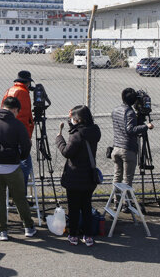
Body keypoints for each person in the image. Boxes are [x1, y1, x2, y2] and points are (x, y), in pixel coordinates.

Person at [0, 96, 37, 241]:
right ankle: (28, 227)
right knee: (19, 198)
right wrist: (21, 157)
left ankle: (2, 231)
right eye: (17, 112)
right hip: (12, 166)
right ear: (14, 110)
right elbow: (26, 146)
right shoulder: (18, 125)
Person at [56, 105, 101, 247]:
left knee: (74, 208)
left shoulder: (76, 136)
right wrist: (71, 123)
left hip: (74, 177)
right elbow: (81, 132)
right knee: (86, 207)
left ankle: (73, 235)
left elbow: (67, 152)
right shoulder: (94, 131)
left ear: (79, 119)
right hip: (89, 177)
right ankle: (88, 236)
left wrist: (59, 140)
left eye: (73, 118)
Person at [111, 88, 154, 188]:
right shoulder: (130, 112)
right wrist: (146, 126)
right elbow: (130, 130)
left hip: (116, 147)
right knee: (127, 178)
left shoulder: (115, 110)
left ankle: (117, 200)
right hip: (127, 149)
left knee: (117, 176)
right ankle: (127, 201)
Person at [1, 70, 35, 188]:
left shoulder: (9, 90)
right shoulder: (23, 93)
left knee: (12, 164)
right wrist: (27, 137)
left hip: (7, 132)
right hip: (20, 134)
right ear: (27, 82)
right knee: (25, 164)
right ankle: (20, 195)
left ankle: (11, 193)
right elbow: (25, 117)